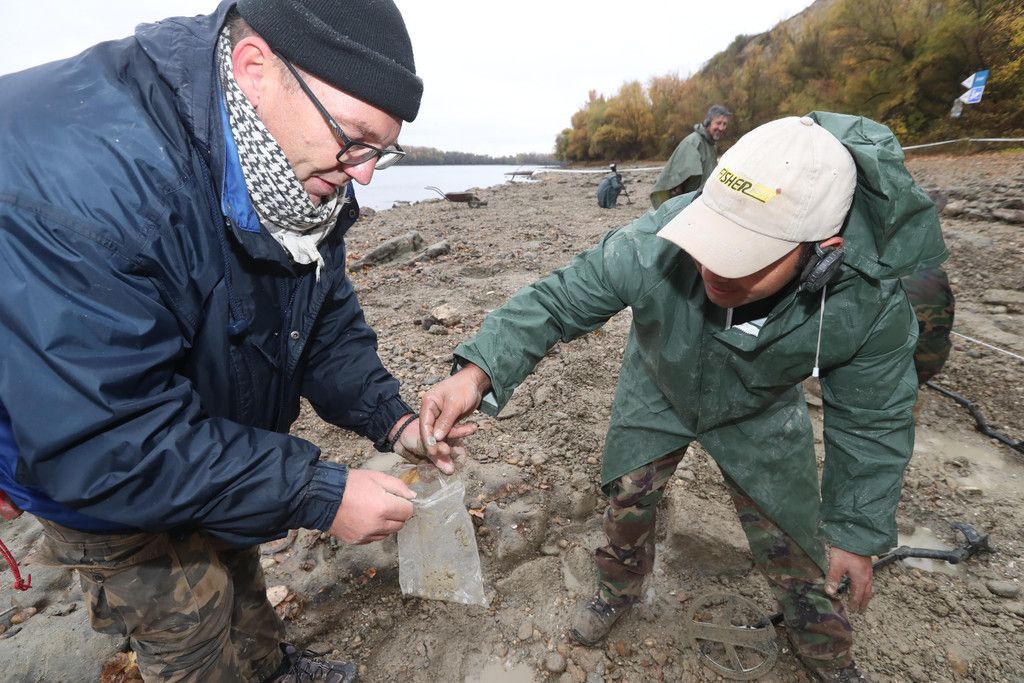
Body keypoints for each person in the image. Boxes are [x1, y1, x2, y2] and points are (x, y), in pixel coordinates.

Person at [0, 1, 468, 681]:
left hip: (201, 426)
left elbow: (319, 320)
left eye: (382, 151)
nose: (365, 173)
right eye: (356, 139)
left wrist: (391, 419)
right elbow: (111, 442)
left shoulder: (299, 177)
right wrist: (322, 493)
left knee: (235, 552)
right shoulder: (91, 185)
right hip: (93, 465)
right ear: (254, 68)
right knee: (186, 624)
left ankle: (267, 666)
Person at [418, 114, 947, 681]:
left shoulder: (868, 305)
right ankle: (617, 591)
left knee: (796, 535)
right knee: (627, 501)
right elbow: (558, 300)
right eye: (710, 240)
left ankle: (823, 648)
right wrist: (476, 372)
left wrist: (856, 533)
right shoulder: (657, 242)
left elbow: (873, 421)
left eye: (744, 255)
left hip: (759, 408)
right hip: (660, 385)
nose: (713, 266)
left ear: (823, 252)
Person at [650, 104, 731, 208]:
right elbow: (676, 183)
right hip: (687, 206)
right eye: (718, 123)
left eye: (725, 124)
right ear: (708, 122)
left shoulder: (710, 145)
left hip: (701, 204)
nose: (722, 128)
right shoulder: (693, 142)